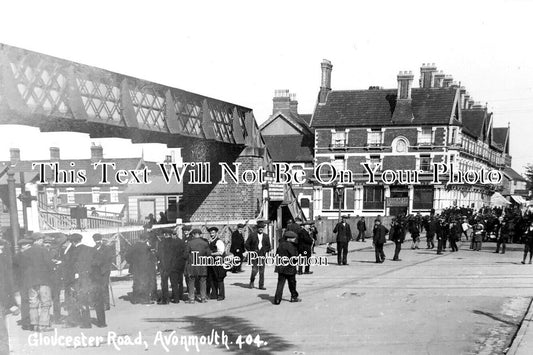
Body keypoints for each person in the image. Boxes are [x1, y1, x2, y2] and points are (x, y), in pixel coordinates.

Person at [13, 238, 54, 332]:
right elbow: (50, 264)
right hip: (44, 281)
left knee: (33, 304)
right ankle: (43, 325)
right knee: (45, 303)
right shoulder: (43, 250)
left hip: (30, 282)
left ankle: (34, 324)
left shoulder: (25, 253)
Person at [65, 233, 94, 329]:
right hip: (87, 277)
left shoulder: (73, 252)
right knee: (85, 298)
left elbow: (70, 265)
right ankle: (87, 322)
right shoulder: (89, 249)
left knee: (76, 299)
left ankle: (77, 321)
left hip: (77, 278)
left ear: (73, 242)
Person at [125, 233, 157, 304]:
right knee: (146, 283)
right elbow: (151, 258)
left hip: (135, 268)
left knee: (136, 283)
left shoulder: (133, 246)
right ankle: (145, 299)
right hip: (145, 268)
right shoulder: (147, 247)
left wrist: (132, 263)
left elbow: (127, 256)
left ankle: (135, 300)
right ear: (146, 239)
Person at [91, 233, 113, 327]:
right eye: (96, 240)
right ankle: (97, 303)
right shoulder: (93, 249)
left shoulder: (107, 249)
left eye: (98, 240)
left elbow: (108, 259)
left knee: (104, 286)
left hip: (104, 270)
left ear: (101, 240)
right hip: (96, 272)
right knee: (97, 288)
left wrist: (103, 266)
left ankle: (106, 304)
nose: (97, 242)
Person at [273, 231, 301, 305]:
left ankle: (277, 299)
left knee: (280, 283)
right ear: (289, 239)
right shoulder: (291, 246)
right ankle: (294, 297)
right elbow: (294, 257)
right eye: (293, 238)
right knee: (292, 283)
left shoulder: (281, 245)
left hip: (281, 267)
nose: (294, 239)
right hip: (289, 268)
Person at [185, 229, 211, 303]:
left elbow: (185, 255)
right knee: (203, 281)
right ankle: (203, 298)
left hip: (192, 265)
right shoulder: (205, 243)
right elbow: (209, 254)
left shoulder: (189, 243)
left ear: (193, 234)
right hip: (202, 265)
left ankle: (191, 298)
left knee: (191, 281)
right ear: (200, 234)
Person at [245, 221, 271, 289]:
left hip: (262, 255)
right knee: (254, 270)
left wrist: (264, 250)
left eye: (262, 227)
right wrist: (251, 251)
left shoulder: (266, 236)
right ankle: (252, 281)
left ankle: (261, 285)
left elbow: (268, 246)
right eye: (259, 227)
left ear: (263, 228)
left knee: (262, 271)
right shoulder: (252, 235)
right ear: (257, 228)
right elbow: (247, 244)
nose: (261, 229)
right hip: (254, 255)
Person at [206, 227, 227, 301]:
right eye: (211, 233)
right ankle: (214, 294)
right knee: (212, 278)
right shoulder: (209, 241)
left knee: (219, 278)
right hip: (211, 262)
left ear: (216, 233)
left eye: (213, 233)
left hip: (218, 262)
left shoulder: (219, 242)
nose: (212, 234)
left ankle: (221, 295)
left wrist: (211, 253)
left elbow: (220, 252)